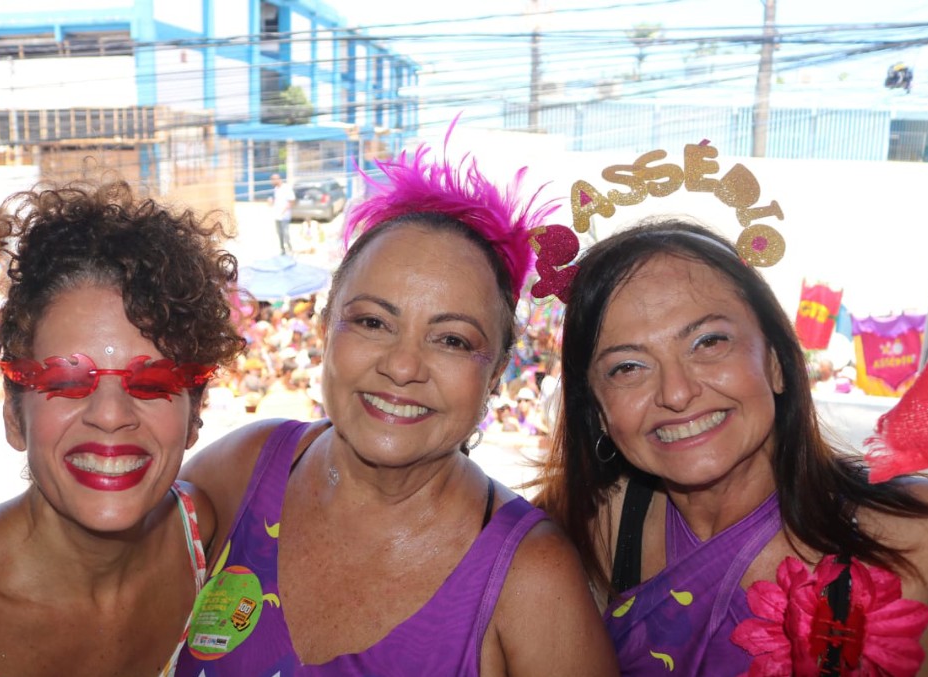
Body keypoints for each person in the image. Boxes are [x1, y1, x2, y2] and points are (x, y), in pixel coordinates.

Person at [174, 141, 617, 675]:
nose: (403, 366)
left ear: (496, 373)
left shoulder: (532, 579)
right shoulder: (241, 469)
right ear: (325, 331)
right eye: (372, 322)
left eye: (451, 339)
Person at [535, 218, 928, 675]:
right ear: (598, 411)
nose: (675, 393)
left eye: (709, 342)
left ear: (776, 361)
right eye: (628, 367)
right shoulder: (582, 530)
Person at [0, 178, 246, 676]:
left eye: (154, 382)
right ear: (14, 415)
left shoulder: (201, 536)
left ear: (194, 416)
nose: (111, 414)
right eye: (67, 380)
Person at [269, 173, 296, 255]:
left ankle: (290, 249)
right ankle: (282, 250)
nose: (272, 181)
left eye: (273, 179)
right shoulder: (276, 189)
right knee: (279, 233)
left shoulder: (286, 188)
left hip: (285, 216)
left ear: (278, 179)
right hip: (277, 216)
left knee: (285, 233)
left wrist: (284, 211)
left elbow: (292, 200)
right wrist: (271, 202)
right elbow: (276, 202)